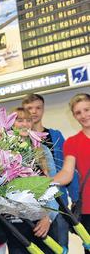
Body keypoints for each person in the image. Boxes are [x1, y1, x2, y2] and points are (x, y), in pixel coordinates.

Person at [22, 93, 79, 249]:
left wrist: (75, 198)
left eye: (38, 108)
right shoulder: (17, 142)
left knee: (60, 247)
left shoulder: (55, 136)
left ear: (43, 110)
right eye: (29, 109)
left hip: (58, 202)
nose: (34, 112)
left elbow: (69, 169)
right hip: (31, 206)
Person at [5, 107, 58, 254]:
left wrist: (49, 217)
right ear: (10, 124)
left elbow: (52, 186)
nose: (24, 124)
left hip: (42, 220)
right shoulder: (2, 152)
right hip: (15, 222)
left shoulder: (42, 150)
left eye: (28, 120)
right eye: (19, 120)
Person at [53, 93, 90, 254]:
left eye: (87, 109)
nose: (84, 115)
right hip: (88, 209)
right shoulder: (72, 142)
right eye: (78, 112)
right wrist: (42, 182)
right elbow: (67, 173)